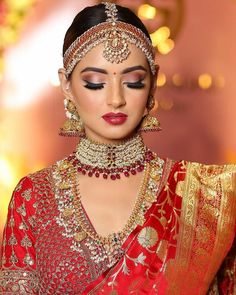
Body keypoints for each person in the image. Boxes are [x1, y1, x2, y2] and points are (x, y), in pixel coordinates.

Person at [0, 2, 235, 294]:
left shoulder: (209, 197)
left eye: (133, 81)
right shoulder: (33, 198)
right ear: (67, 85)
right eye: (95, 83)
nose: (115, 99)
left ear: (152, 83)